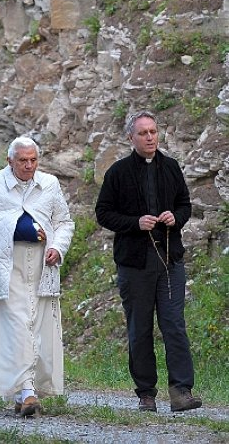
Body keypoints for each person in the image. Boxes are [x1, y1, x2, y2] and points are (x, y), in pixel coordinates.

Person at [95, 111, 202, 413]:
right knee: (139, 329)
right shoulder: (117, 172)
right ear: (131, 137)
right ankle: (146, 395)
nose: (150, 137)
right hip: (135, 264)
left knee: (174, 325)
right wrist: (135, 222)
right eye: (143, 133)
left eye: (153, 131)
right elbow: (103, 213)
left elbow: (184, 205)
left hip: (170, 260)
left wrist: (175, 218)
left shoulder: (170, 167)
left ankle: (181, 391)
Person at [0, 135, 74, 417]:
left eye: (33, 160)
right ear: (9, 161)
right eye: (22, 160)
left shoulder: (49, 184)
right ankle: (27, 392)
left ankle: (26, 391)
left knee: (37, 325)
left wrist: (57, 248)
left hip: (41, 264)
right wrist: (15, 227)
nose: (28, 166)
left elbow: (64, 222)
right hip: (5, 266)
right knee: (18, 325)